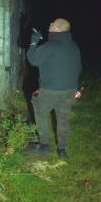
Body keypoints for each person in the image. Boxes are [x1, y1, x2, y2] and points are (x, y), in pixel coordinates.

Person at [27, 18, 82, 158]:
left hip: (51, 90)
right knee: (63, 119)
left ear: (57, 29)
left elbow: (33, 59)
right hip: (70, 91)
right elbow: (79, 67)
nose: (50, 24)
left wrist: (34, 41)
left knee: (40, 111)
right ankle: (62, 150)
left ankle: (44, 145)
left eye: (53, 23)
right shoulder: (73, 46)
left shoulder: (51, 45)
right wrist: (76, 89)